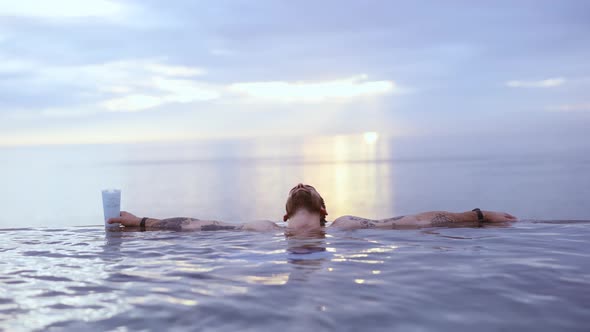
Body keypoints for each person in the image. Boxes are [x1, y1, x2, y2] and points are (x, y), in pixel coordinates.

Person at [108, 183, 517, 235]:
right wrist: (141, 222)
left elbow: (418, 221)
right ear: (287, 211)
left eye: (308, 188)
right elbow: (195, 225)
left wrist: (478, 214)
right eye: (296, 188)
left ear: (323, 208)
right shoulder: (261, 228)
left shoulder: (347, 225)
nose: (301, 185)